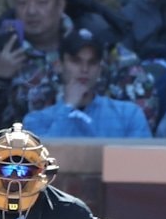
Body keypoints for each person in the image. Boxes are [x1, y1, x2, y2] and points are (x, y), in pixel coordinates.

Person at [0, 0, 160, 135]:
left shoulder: (97, 43)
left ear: (60, 5)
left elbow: (142, 114)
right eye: (22, 3)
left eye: (42, 2)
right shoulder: (5, 54)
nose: (31, 11)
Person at [19, 28, 155, 139]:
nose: (84, 69)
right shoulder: (35, 120)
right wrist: (68, 108)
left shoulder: (128, 115)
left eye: (92, 62)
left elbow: (142, 167)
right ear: (59, 65)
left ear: (100, 69)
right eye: (76, 61)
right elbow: (40, 165)